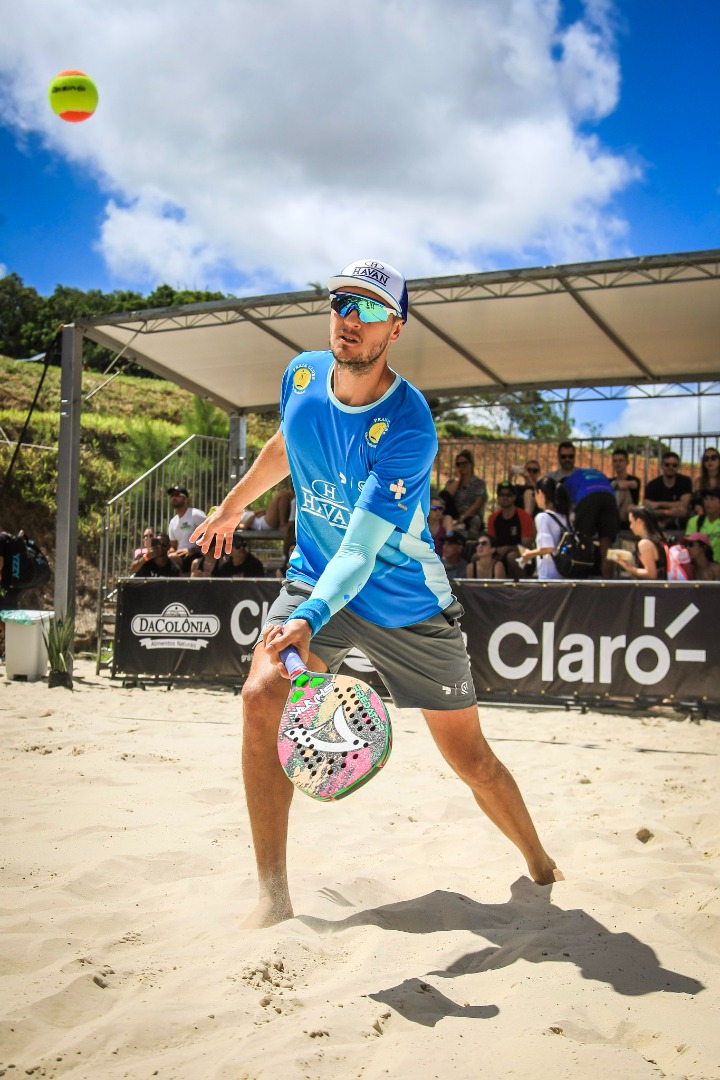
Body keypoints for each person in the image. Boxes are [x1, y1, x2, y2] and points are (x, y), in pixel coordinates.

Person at [191, 257, 561, 927]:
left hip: (404, 602)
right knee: (260, 697)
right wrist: (231, 505)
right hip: (313, 577)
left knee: (471, 759)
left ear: (396, 328)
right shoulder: (301, 373)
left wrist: (307, 616)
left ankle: (538, 861)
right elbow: (286, 442)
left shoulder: (412, 425)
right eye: (340, 303)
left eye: (366, 310)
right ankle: (273, 897)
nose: (347, 319)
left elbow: (361, 550)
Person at [560, 466, 619, 578]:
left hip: (588, 498)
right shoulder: (592, 472)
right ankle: (608, 584)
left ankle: (582, 584)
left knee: (582, 544)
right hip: (610, 498)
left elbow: (564, 506)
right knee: (607, 547)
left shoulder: (567, 483)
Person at [516, 476, 571, 580]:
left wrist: (528, 554)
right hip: (565, 575)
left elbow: (548, 548)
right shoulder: (565, 518)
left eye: (534, 494)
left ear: (540, 493)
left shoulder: (542, 517)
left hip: (549, 576)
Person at [486, 481, 535, 580]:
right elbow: (490, 541)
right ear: (497, 497)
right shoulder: (493, 518)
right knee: (478, 557)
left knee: (512, 557)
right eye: (502, 495)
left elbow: (527, 546)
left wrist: (507, 549)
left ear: (514, 497)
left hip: (524, 557)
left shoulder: (524, 516)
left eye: (508, 495)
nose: (505, 497)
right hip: (499, 554)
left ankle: (520, 587)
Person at [643, 452, 692, 534]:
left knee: (683, 511)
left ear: (678, 467)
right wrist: (667, 512)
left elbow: (684, 504)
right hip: (658, 516)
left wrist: (659, 504)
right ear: (662, 465)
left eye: (674, 465)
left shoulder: (685, 481)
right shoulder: (652, 484)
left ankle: (665, 523)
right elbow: (647, 505)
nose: (670, 467)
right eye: (667, 465)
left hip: (678, 517)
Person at [442, 451, 487, 538]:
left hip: (469, 516)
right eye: (458, 464)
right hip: (453, 515)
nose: (462, 466)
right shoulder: (453, 482)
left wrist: (462, 518)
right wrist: (458, 479)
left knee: (474, 520)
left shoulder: (479, 483)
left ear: (471, 464)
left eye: (464, 463)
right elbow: (446, 497)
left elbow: (477, 504)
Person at [167, 485, 207, 573]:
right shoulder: (172, 522)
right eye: (172, 495)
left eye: (177, 495)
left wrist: (192, 550)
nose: (174, 497)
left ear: (186, 500)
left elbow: (210, 534)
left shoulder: (196, 514)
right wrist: (170, 551)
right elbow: (173, 545)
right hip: (179, 556)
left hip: (197, 553)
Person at [623, 507, 667, 580]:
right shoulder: (659, 537)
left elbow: (651, 574)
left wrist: (628, 567)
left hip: (652, 590)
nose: (630, 527)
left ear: (639, 521)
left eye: (631, 522)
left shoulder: (645, 544)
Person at [685, 486, 720, 562]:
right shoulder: (694, 521)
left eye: (712, 499)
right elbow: (688, 547)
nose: (708, 502)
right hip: (700, 568)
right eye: (706, 499)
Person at [609, 447, 641, 526]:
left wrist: (612, 485)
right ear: (612, 463)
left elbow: (631, 484)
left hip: (627, 516)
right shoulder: (609, 481)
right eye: (615, 461)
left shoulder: (634, 480)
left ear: (627, 462)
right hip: (613, 513)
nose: (618, 464)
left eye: (621, 461)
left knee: (624, 490)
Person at [692, 447, 720, 515]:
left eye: (713, 458)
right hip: (704, 514)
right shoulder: (699, 481)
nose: (709, 461)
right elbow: (697, 503)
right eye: (706, 459)